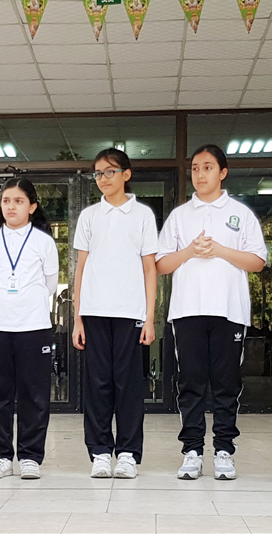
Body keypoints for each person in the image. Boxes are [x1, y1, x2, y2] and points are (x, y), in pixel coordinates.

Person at [156, 144, 267, 481]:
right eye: (195, 168)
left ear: (222, 173)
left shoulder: (240, 214)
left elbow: (257, 261)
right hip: (187, 310)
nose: (200, 174)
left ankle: (223, 450)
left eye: (207, 167)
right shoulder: (180, 216)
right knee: (190, 382)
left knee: (226, 383)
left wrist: (219, 249)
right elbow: (161, 264)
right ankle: (191, 450)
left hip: (229, 311)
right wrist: (190, 251)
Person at [72, 148, 158, 479]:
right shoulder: (89, 216)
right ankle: (99, 453)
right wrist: (78, 318)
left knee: (128, 387)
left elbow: (149, 269)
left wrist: (149, 318)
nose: (103, 179)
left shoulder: (143, 216)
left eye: (109, 172)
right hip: (94, 312)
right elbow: (81, 268)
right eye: (98, 173)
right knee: (97, 386)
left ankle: (128, 454)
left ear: (126, 174)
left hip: (130, 313)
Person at [0, 178, 59, 480]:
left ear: (32, 207)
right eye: (6, 201)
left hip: (34, 326)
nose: (11, 206)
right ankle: (0, 456)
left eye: (18, 201)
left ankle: (30, 456)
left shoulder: (44, 242)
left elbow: (50, 284)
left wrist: (26, 303)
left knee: (34, 394)